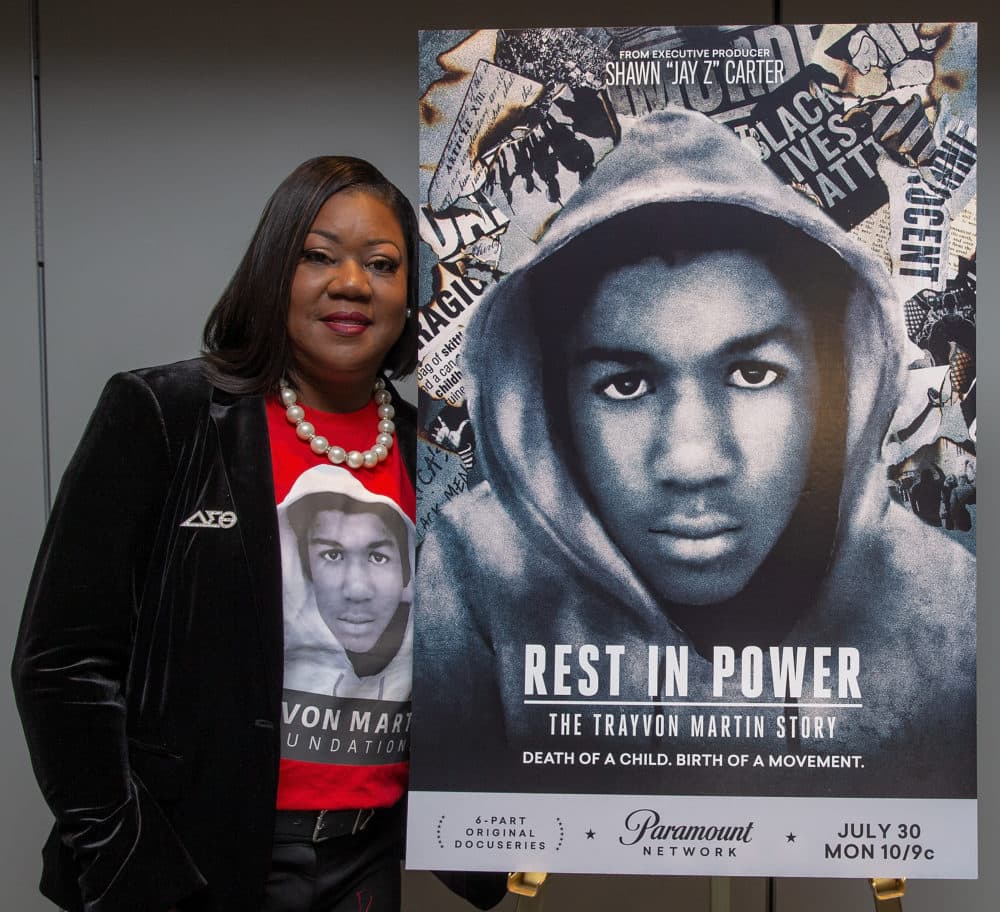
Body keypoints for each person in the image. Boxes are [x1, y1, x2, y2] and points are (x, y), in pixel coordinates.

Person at [414, 108, 976, 800]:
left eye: (752, 374)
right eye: (625, 384)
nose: (692, 461)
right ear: (550, 404)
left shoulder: (946, 603)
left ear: (840, 384)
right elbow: (463, 851)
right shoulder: (473, 572)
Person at [13, 158, 504, 912]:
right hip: (191, 865)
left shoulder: (441, 457)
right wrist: (127, 859)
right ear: (275, 270)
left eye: (382, 263)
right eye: (318, 255)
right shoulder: (164, 415)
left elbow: (480, 657)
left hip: (365, 863)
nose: (351, 283)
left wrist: (518, 820)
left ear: (415, 294)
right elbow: (61, 664)